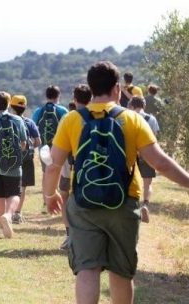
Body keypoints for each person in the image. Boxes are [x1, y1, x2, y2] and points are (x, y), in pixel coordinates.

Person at [44, 61, 189, 304]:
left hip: (84, 205)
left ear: (90, 89)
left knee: (87, 269)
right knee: (121, 272)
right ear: (117, 89)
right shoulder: (132, 119)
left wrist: (50, 195)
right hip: (124, 202)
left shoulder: (71, 120)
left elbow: (54, 166)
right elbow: (160, 163)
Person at [0, 92, 27, 238]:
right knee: (14, 193)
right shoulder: (17, 119)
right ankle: (8, 215)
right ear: (9, 104)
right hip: (13, 164)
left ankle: (1, 223)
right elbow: (23, 143)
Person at [59, 84, 91, 250]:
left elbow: (59, 150)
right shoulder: (101, 115)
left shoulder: (69, 118)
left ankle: (69, 234)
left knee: (65, 198)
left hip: (70, 166)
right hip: (93, 166)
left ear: (75, 99)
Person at [32, 85, 68, 211]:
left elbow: (34, 129)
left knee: (46, 173)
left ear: (46, 96)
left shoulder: (38, 111)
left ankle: (46, 201)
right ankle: (57, 201)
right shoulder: (63, 110)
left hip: (44, 148)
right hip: (61, 147)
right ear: (59, 96)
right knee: (60, 173)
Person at [9, 95, 41, 224]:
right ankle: (17, 213)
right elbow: (38, 141)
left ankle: (8, 211)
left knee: (11, 184)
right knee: (22, 187)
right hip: (27, 157)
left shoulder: (8, 121)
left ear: (11, 107)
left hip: (10, 157)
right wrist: (30, 147)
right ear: (25, 107)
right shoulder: (29, 122)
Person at [128, 96, 160, 223]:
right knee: (148, 183)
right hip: (146, 154)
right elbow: (154, 137)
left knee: (129, 182)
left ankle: (131, 208)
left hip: (131, 154)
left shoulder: (128, 117)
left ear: (131, 105)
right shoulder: (151, 118)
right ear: (144, 105)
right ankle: (145, 204)